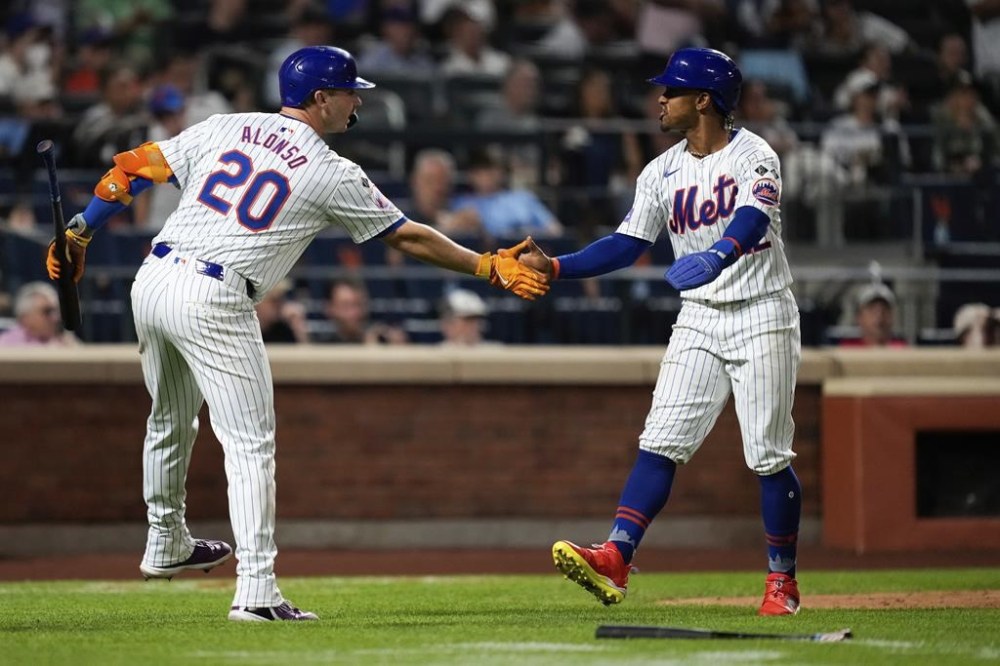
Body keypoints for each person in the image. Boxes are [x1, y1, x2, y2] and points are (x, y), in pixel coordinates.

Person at [45, 45, 549, 622]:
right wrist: (485, 265)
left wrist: (81, 231)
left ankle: (166, 542)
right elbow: (407, 237)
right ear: (321, 99)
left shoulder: (229, 125)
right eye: (349, 91)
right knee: (250, 443)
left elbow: (133, 168)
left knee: (168, 417)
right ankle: (257, 591)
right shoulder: (331, 171)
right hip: (214, 293)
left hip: (155, 278)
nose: (358, 100)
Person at [515, 47, 804, 616]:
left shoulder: (755, 153)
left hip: (763, 309)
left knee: (767, 455)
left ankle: (782, 582)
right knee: (660, 440)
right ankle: (617, 557)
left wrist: (720, 253)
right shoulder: (660, 169)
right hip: (699, 313)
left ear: (704, 100)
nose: (660, 99)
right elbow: (628, 242)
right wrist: (557, 267)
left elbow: (755, 215)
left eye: (671, 91)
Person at [322, 278, 407, 345]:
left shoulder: (381, 342)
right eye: (346, 306)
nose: (355, 313)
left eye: (358, 304)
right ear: (330, 308)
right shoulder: (319, 347)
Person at [0, 282, 77, 346]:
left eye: (56, 311)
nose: (55, 318)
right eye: (47, 311)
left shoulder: (65, 341)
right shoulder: (7, 345)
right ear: (25, 317)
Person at [838, 282, 907, 347]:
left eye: (885, 309)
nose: (879, 315)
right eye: (872, 310)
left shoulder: (903, 350)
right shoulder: (848, 350)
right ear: (859, 317)